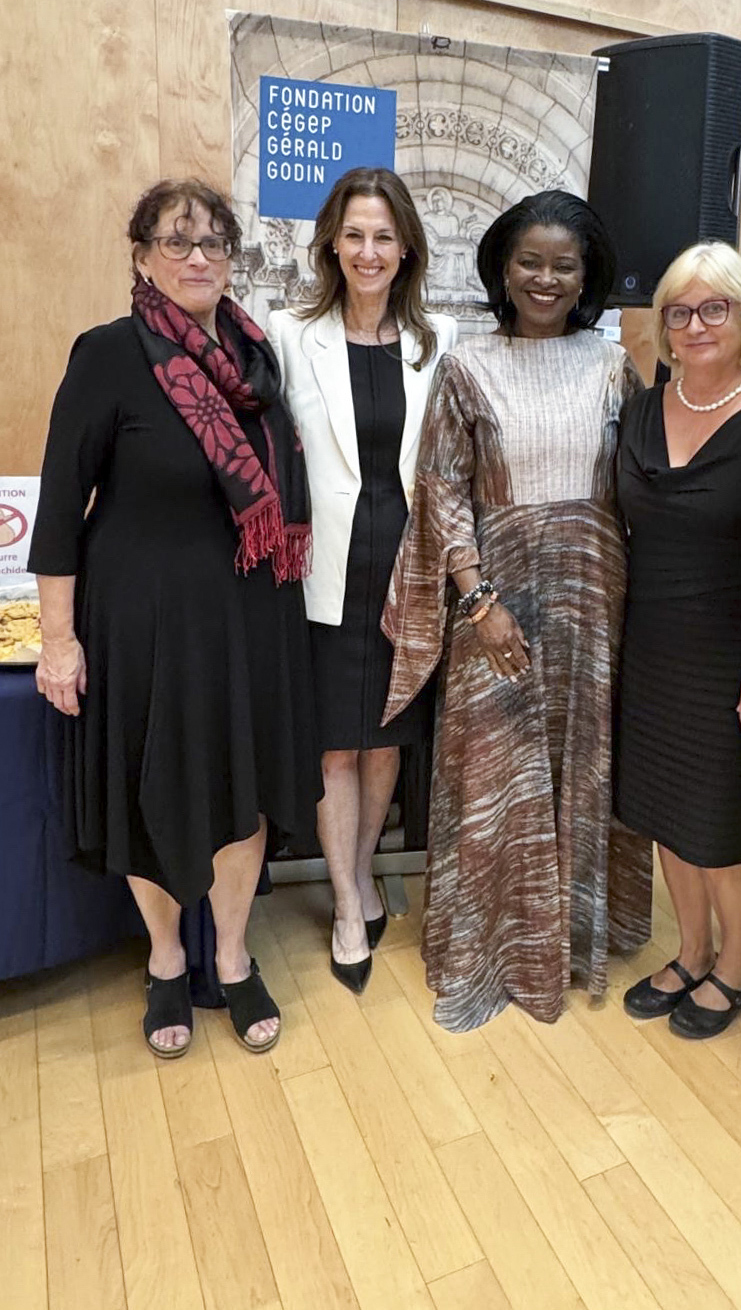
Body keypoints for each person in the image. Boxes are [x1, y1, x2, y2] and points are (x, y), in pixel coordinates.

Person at [30, 179, 322, 1057]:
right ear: (142, 255)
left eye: (214, 242)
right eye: (176, 240)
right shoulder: (109, 354)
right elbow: (58, 510)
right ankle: (165, 960)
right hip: (143, 623)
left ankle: (231, 956)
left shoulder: (256, 357)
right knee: (152, 789)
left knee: (242, 791)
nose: (198, 257)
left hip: (250, 620)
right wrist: (58, 640)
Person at [380, 189, 652, 1032]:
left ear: (586, 277)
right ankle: (489, 948)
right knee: (493, 769)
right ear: (502, 269)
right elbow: (441, 490)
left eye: (564, 265)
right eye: (529, 261)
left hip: (595, 602)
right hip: (494, 605)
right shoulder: (467, 368)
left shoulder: (613, 367)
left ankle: (571, 937)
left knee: (583, 760)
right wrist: (478, 599)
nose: (545, 278)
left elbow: (641, 485)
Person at [263, 168, 457, 992]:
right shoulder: (289, 334)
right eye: (354, 235)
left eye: (383, 236)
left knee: (386, 740)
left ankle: (366, 862)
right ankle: (347, 900)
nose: (368, 251)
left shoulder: (438, 340)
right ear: (332, 245)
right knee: (335, 743)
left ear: (405, 246)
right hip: (324, 574)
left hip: (406, 573)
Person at [616, 243, 741, 1038]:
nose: (695, 325)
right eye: (679, 311)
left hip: (734, 665)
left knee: (720, 834)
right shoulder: (640, 409)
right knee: (667, 818)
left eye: (713, 308)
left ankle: (735, 964)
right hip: (649, 652)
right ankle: (691, 950)